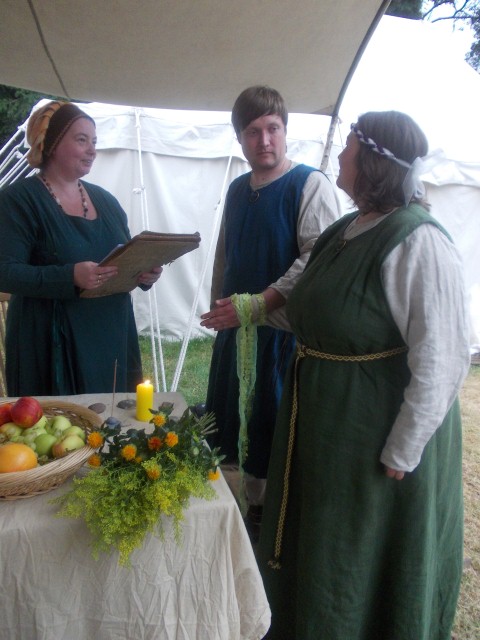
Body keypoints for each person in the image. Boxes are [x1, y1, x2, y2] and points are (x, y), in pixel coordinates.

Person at [256, 110, 470, 639]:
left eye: (349, 144)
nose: (339, 152)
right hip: (327, 427)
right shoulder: (344, 230)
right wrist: (248, 311)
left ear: (372, 159)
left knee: (362, 548)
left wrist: (404, 449)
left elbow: (443, 355)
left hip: (373, 435)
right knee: (324, 541)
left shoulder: (418, 240)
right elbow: (315, 310)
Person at [200, 86, 341, 540]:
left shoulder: (309, 184)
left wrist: (261, 303)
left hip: (280, 338)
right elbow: (226, 256)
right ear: (239, 137)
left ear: (285, 129)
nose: (264, 140)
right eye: (253, 131)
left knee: (271, 431)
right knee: (230, 427)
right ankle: (237, 513)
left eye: (273, 128)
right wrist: (220, 307)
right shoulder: (237, 190)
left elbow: (317, 256)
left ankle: (270, 522)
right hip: (237, 333)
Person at [0, 101, 162, 396]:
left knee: (113, 418)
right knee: (62, 423)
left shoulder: (107, 202)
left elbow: (122, 255)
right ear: (52, 144)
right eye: (81, 140)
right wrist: (69, 276)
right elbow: (6, 272)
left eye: (94, 142)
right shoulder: (18, 201)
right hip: (50, 343)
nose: (92, 150)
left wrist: (142, 272)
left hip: (110, 337)